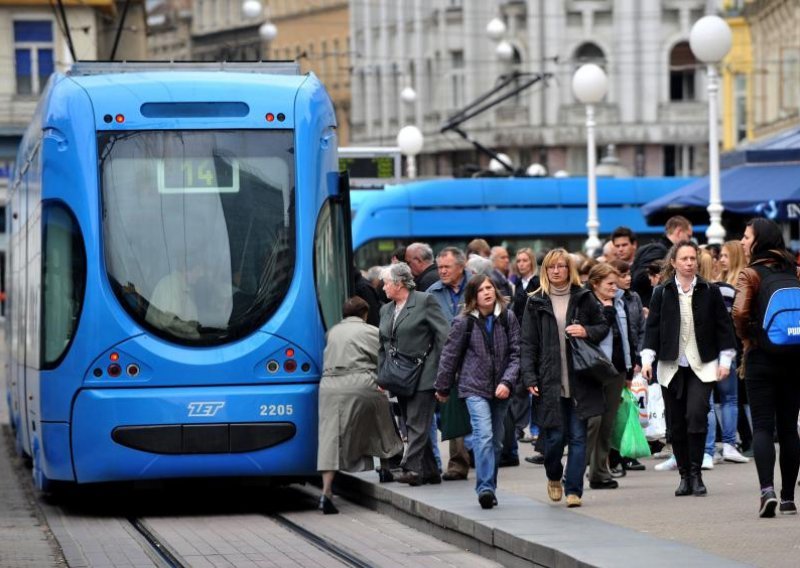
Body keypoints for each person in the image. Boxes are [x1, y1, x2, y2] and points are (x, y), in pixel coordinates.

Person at [641, 240, 736, 498]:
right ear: (673, 262)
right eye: (684, 259)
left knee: (696, 415)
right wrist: (647, 360)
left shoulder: (709, 290)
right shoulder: (662, 292)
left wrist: (725, 361)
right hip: (671, 366)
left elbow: (724, 328)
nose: (689, 263)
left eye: (693, 258)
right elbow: (652, 330)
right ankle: (684, 476)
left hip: (702, 365)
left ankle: (696, 473)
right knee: (676, 424)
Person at [520, 248, 609, 508]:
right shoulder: (535, 301)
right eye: (551, 267)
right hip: (549, 379)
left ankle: (574, 489)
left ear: (569, 269)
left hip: (580, 377)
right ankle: (553, 476)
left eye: (561, 266)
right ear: (545, 271)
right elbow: (528, 344)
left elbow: (603, 326)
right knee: (555, 437)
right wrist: (529, 376)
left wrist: (586, 330)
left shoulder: (584, 297)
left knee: (579, 437)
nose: (556, 271)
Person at [732, 218, 800, 517]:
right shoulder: (794, 270)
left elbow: (738, 313)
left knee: (762, 426)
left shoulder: (750, 274)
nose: (743, 242)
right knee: (789, 429)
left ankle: (766, 491)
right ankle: (788, 498)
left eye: (747, 237)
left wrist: (749, 337)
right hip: (795, 356)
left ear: (759, 240)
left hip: (761, 357)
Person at [434, 275, 521, 509]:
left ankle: (489, 486)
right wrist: (442, 387)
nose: (487, 292)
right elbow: (450, 356)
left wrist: (508, 381)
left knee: (496, 442)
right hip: (474, 387)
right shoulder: (463, 322)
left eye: (490, 288)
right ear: (473, 296)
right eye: (481, 289)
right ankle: (484, 489)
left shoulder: (508, 317)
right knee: (483, 435)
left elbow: (516, 353)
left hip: (501, 388)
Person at [317, 297, 404, 514]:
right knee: (379, 417)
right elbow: (383, 360)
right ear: (364, 314)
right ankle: (385, 469)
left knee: (330, 437)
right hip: (359, 382)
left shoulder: (332, 332)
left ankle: (326, 492)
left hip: (329, 386)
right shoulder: (370, 331)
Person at [379, 263, 449, 486]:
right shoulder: (386, 309)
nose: (383, 288)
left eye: (386, 283)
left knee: (417, 424)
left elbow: (444, 336)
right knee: (411, 421)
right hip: (398, 375)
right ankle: (430, 472)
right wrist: (382, 375)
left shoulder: (424, 301)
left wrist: (439, 369)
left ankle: (410, 467)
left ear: (399, 284)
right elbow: (383, 344)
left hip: (424, 373)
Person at [585, 263, 636, 490]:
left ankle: (600, 473)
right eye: (610, 284)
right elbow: (594, 335)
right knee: (592, 423)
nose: (615, 288)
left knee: (607, 424)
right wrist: (606, 311)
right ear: (595, 284)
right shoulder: (587, 304)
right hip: (595, 370)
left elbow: (627, 336)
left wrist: (629, 367)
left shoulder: (620, 302)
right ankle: (576, 469)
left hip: (617, 369)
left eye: (616, 283)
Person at [697, 248, 749, 468]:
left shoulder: (694, 292)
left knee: (708, 402)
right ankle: (729, 444)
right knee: (730, 399)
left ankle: (708, 450)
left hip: (703, 353)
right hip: (727, 349)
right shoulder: (726, 290)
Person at [427, 247, 474, 481]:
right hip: (448, 362)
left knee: (482, 412)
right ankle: (458, 463)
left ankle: (485, 453)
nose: (442, 271)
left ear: (461, 266)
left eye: (447, 267)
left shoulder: (479, 286)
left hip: (478, 360)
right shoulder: (432, 293)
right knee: (453, 412)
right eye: (440, 267)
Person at [632, 215, 693, 308]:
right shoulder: (660, 250)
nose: (689, 240)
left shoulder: (661, 249)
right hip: (648, 308)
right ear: (679, 231)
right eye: (688, 236)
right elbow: (640, 277)